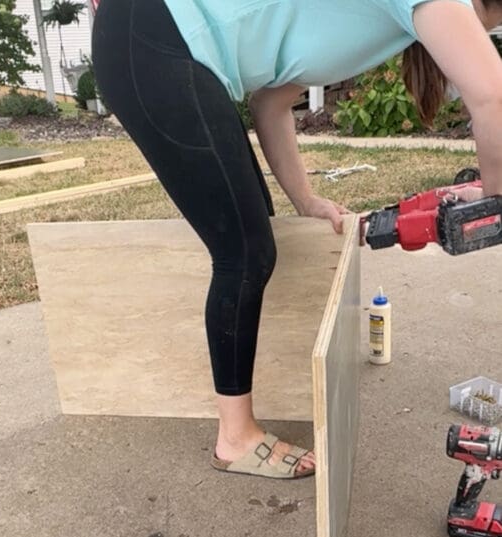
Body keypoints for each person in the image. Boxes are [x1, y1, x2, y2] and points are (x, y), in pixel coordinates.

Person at [92, 0, 502, 480]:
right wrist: (494, 201)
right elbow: (492, 95)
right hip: (153, 37)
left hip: (169, 42)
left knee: (256, 233)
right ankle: (234, 438)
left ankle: (245, 400)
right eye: (488, 28)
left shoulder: (393, 22)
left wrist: (306, 201)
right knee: (244, 252)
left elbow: (270, 102)